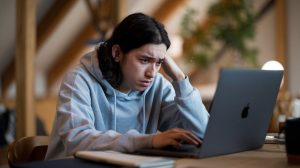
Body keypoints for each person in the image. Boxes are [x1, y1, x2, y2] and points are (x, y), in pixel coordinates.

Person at [45, 12, 209, 160]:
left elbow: (204, 134)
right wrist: (148, 141)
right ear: (117, 53)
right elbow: (77, 140)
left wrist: (180, 79)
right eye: (144, 60)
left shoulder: (156, 85)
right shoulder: (79, 80)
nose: (151, 73)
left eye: (158, 62)